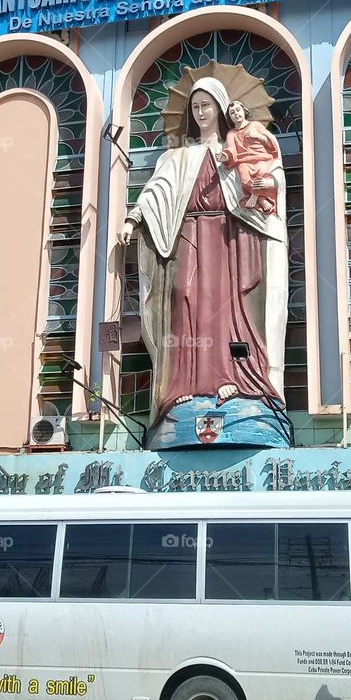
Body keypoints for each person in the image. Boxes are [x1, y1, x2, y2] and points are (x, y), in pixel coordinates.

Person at [118, 73, 289, 436]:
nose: (200, 113)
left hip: (226, 238)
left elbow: (266, 169)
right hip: (189, 235)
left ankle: (229, 378)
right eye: (195, 107)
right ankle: (184, 384)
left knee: (223, 306)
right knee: (183, 297)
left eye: (206, 105)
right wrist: (134, 219)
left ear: (220, 108)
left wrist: (267, 184)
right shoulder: (177, 156)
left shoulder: (234, 150)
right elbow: (155, 191)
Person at [218, 100, 281, 215]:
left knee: (262, 175)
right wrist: (225, 156)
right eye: (232, 112)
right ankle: (261, 199)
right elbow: (231, 149)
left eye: (238, 110)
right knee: (244, 180)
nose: (236, 114)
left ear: (244, 111)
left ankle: (256, 195)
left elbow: (269, 141)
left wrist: (258, 137)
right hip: (244, 161)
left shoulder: (255, 125)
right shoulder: (231, 134)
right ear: (230, 117)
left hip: (262, 158)